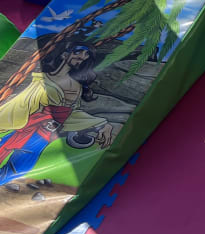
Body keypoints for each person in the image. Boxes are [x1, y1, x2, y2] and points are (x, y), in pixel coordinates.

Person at [0, 41, 121, 184]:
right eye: (78, 51)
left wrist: (102, 125)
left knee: (15, 170)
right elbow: (20, 103)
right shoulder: (41, 77)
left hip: (40, 135)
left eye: (86, 55)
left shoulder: (74, 86)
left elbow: (69, 114)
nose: (82, 57)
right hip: (21, 128)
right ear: (64, 54)